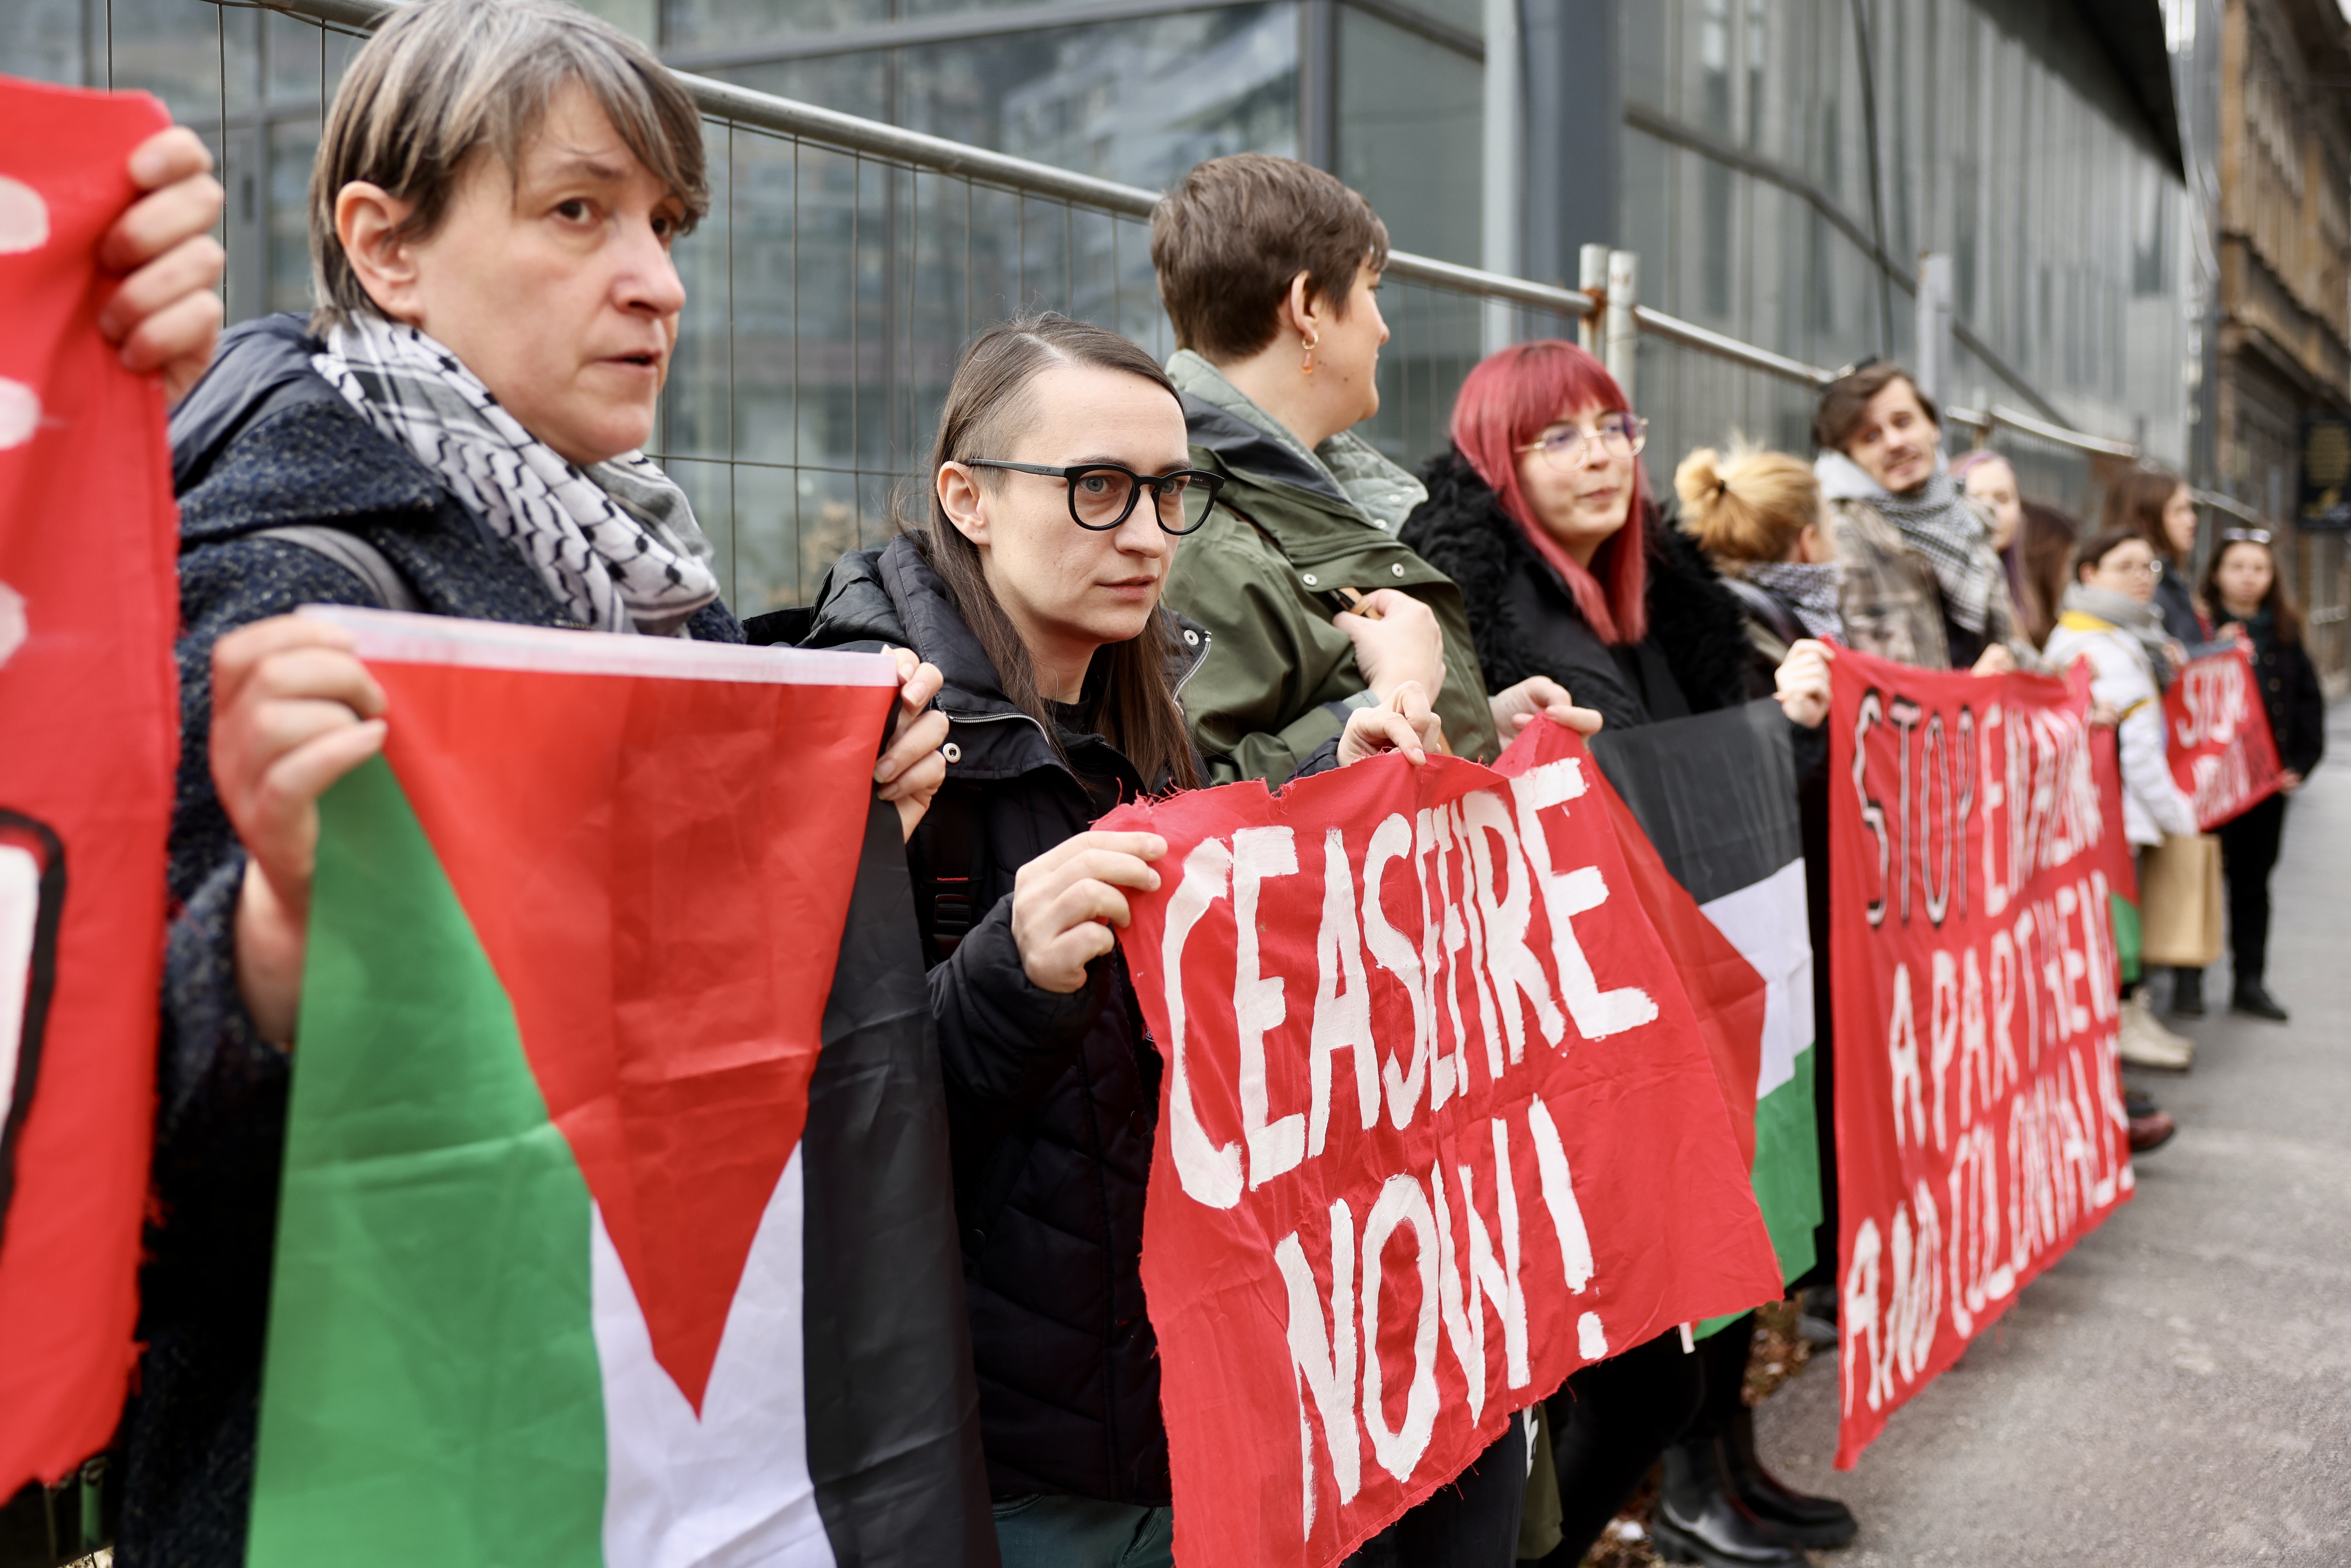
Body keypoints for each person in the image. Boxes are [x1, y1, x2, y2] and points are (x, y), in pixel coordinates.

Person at [126, 5, 950, 1560]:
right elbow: (136, 1153)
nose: (657, 279)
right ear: (386, 246)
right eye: (578, 212)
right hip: (367, 1485)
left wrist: (838, 843)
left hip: (639, 1461)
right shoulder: (288, 579)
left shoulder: (641, 578)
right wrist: (278, 938)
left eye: (665, 222)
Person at [797, 312, 1481, 1568]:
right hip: (1007, 1466)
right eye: (1099, 488)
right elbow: (806, 1138)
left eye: (1172, 493)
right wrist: (1009, 972)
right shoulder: (867, 733)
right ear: (970, 497)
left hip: (1179, 1410)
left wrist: (1351, 777)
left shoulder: (1135, 705)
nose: (1149, 536)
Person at [1403, 346, 1840, 1568]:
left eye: (1612, 425)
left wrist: (1785, 723)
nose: (1599, 453)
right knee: (1631, 1378)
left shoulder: (1674, 606)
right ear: (1498, 456)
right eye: (1558, 435)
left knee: (1679, 1338)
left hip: (1689, 1002)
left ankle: (1702, 1489)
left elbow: (1726, 811)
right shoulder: (1471, 615)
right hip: (1574, 1032)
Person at [1149, 153, 1589, 781]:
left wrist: (1479, 722)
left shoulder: (1285, 494)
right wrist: (1382, 702)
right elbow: (1189, 804)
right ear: (1306, 306)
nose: (1382, 330)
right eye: (1370, 290)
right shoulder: (1200, 535)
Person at [2043, 530, 2201, 1077]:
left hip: (2118, 812)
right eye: (2124, 566)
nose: (2141, 577)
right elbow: (2136, 750)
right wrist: (2177, 816)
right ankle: (2122, 1032)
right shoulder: (2090, 643)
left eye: (2148, 566)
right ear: (2088, 574)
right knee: (2116, 930)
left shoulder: (2122, 634)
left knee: (2120, 929)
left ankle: (2132, 1023)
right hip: (2112, 814)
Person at [1811, 363, 2036, 673]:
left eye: (1903, 422)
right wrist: (1964, 689)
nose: (1894, 442)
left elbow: (2008, 645)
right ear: (1849, 458)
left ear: (1934, 427)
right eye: (1870, 437)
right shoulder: (1840, 537)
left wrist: (2070, 691)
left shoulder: (1970, 519)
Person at [2199, 529, 2326, 1022]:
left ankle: (2248, 981)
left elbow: (2306, 704)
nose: (2248, 577)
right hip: (2209, 785)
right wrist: (2207, 649)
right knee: (2199, 875)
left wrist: (2299, 763)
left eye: (2258, 568)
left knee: (2253, 883)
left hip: (2263, 784)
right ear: (2216, 573)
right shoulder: (2199, 627)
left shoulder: (2283, 633)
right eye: (2237, 567)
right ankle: (2188, 976)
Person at [1951, 449, 2073, 646]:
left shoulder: (2016, 590)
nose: (1990, 509)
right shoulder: (1940, 583)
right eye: (1975, 497)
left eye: (2002, 498)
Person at [2104, 464, 2208, 649]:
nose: (2193, 520)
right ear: (2146, 519)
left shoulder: (2169, 577)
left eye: (2191, 509)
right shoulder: (2146, 584)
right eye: (2179, 511)